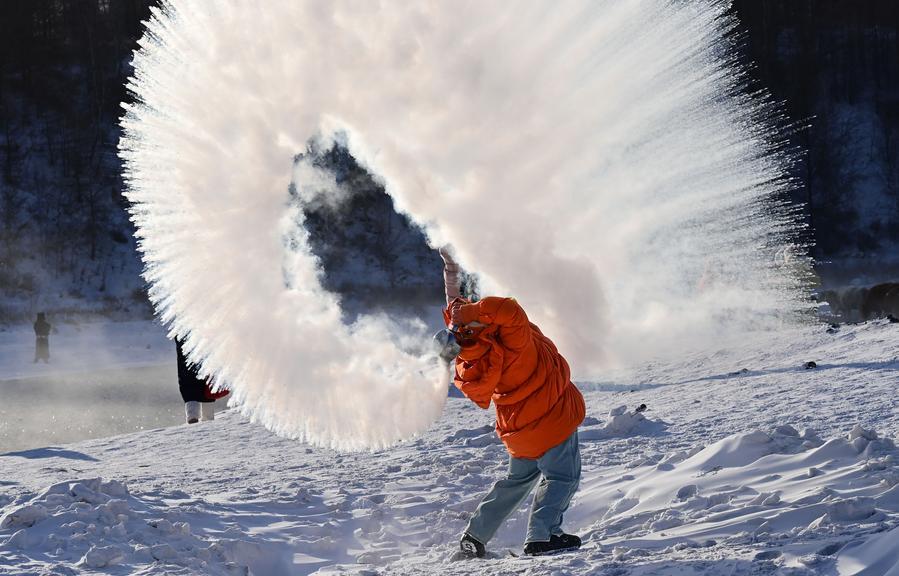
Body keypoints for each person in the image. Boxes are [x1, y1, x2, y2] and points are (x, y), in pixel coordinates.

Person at [437, 248, 586, 558]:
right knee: (563, 477)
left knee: (516, 482)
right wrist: (472, 310)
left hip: (518, 430)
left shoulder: (470, 355)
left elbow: (455, 308)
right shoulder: (513, 342)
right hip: (552, 421)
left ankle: (475, 535)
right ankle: (542, 536)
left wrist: (451, 268)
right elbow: (508, 309)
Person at [175, 337, 229, 424]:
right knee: (207, 385)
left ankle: (192, 416)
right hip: (205, 352)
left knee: (189, 386)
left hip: (187, 354)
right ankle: (208, 418)